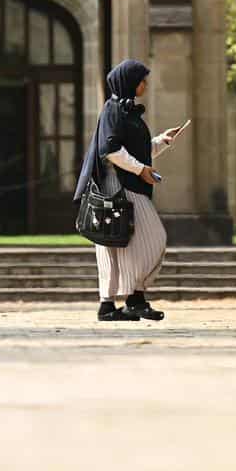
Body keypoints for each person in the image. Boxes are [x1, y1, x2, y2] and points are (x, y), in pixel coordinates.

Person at [74, 59, 186, 322]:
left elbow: (135, 150)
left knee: (115, 245)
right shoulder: (113, 109)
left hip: (124, 184)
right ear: (130, 82)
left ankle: (110, 306)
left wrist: (161, 141)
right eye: (141, 80)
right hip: (119, 187)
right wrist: (141, 171)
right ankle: (134, 298)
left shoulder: (125, 111)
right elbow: (111, 151)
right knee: (152, 239)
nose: (145, 84)